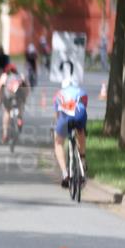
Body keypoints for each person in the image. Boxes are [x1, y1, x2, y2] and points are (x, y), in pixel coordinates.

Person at [53, 60, 88, 188]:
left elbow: (57, 115)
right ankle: (82, 159)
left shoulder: (58, 94)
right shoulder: (82, 92)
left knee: (58, 142)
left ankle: (65, 173)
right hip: (79, 113)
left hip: (65, 116)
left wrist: (56, 128)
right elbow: (84, 107)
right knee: (81, 131)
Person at [0, 63, 29, 143]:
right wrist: (25, 97)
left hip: (8, 97)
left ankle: (5, 134)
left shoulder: (4, 76)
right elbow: (27, 87)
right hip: (19, 97)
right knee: (20, 107)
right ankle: (19, 120)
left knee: (7, 112)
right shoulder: (21, 76)